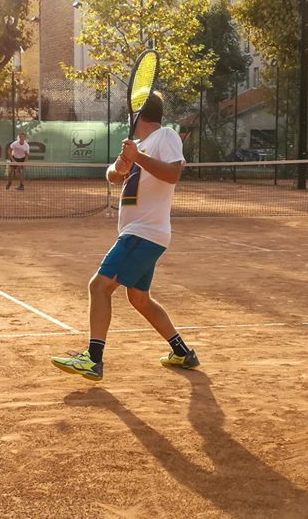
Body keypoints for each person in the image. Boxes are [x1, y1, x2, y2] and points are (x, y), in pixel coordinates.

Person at [51, 92, 199, 381]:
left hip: (143, 232)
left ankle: (93, 359)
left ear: (137, 115)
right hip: (142, 233)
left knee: (99, 287)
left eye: (131, 111)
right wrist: (118, 169)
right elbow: (113, 174)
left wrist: (137, 157)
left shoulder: (165, 136)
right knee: (139, 298)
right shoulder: (139, 146)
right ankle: (182, 352)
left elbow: (174, 174)